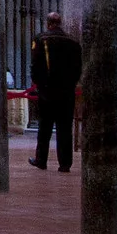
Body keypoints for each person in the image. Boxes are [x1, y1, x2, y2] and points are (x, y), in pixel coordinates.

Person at [29, 11, 81, 173]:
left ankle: (41, 160)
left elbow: (35, 65)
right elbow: (78, 68)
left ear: (48, 23)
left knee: (44, 127)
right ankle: (65, 163)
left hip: (47, 91)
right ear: (60, 23)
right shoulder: (73, 42)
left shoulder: (40, 39)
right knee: (65, 128)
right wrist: (70, 85)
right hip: (66, 92)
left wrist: (39, 84)